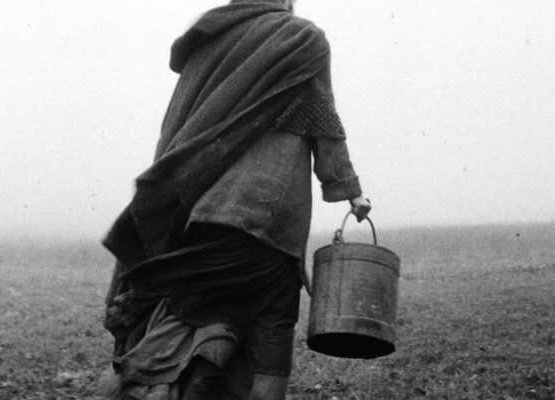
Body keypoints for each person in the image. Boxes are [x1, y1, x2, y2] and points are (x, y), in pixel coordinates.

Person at [99, 0, 371, 398]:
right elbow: (325, 124)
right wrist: (351, 190)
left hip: (200, 216)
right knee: (268, 342)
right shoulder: (303, 39)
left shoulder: (207, 43)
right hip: (271, 224)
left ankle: (154, 374)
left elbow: (176, 130)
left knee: (198, 316)